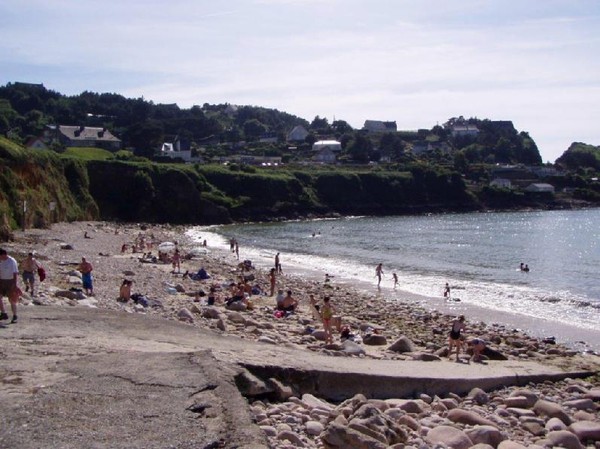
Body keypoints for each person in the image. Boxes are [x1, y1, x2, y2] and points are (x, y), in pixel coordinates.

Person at [0, 248, 20, 323]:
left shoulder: (11, 261)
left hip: (10, 282)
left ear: (3, 255)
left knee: (12, 300)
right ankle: (3, 313)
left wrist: (15, 285)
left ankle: (15, 316)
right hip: (2, 281)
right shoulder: (1, 261)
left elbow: (15, 273)